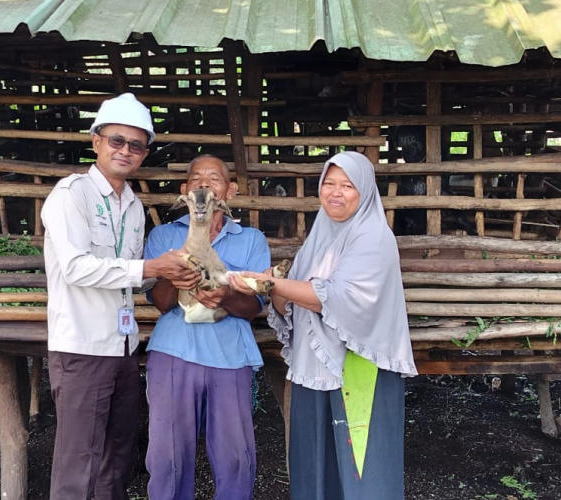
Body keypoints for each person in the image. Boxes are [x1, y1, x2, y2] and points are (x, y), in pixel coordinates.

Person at [232, 151, 417, 500]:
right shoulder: (320, 238)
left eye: (347, 185)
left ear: (364, 191)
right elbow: (294, 301)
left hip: (360, 372)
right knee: (315, 468)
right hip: (313, 369)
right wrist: (278, 289)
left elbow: (334, 297)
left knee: (362, 475)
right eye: (329, 183)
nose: (336, 192)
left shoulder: (373, 237)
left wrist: (271, 285)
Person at [41, 93, 199, 500]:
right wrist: (152, 268)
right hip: (82, 347)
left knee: (117, 454)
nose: (125, 151)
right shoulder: (70, 194)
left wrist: (177, 274)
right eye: (116, 141)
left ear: (144, 153)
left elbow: (132, 277)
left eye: (136, 145)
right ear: (96, 141)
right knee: (79, 459)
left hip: (123, 347)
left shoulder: (132, 205)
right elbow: (76, 268)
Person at [143, 154, 271, 500]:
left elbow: (251, 309)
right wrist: (190, 249)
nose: (204, 184)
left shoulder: (252, 240)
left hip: (231, 355)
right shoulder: (163, 236)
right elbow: (163, 301)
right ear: (184, 190)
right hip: (173, 351)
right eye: (196, 178)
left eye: (214, 178)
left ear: (229, 190)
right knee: (168, 455)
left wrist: (227, 294)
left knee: (235, 457)